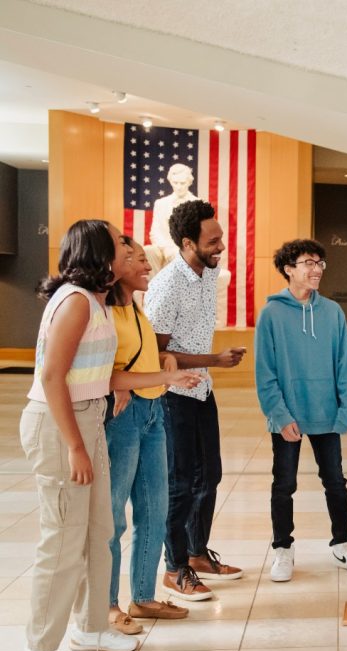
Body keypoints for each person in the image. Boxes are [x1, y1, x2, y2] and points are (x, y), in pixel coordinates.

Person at [20, 220, 137, 651]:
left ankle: (90, 628)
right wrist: (74, 446)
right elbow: (52, 377)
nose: (127, 247)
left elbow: (99, 376)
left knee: (98, 532)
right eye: (119, 242)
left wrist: (167, 377)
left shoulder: (98, 301)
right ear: (99, 253)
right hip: (58, 425)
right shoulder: (74, 301)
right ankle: (38, 647)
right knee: (63, 541)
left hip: (89, 418)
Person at [144, 200, 246, 601]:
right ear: (187, 243)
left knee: (210, 474)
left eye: (221, 237)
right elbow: (156, 353)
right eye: (213, 240)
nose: (221, 246)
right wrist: (215, 360)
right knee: (180, 482)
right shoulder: (167, 286)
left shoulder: (209, 271)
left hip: (201, 389)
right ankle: (174, 569)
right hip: (173, 394)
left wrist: (209, 367)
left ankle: (197, 553)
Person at [255, 238, 347, 582]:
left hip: (326, 415)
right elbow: (265, 372)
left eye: (320, 263)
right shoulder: (271, 314)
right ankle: (283, 549)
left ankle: (343, 545)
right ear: (289, 269)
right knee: (284, 484)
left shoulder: (333, 312)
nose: (317, 269)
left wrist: (345, 412)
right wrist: (280, 416)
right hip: (287, 417)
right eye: (309, 263)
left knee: (335, 481)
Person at [105, 240, 202, 633]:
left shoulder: (136, 308)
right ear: (116, 265)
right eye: (139, 260)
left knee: (154, 509)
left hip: (152, 414)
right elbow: (106, 374)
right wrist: (165, 375)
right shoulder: (103, 311)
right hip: (123, 419)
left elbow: (142, 358)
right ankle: (108, 605)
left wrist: (166, 361)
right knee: (113, 517)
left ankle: (143, 597)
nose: (148, 266)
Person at [149, 164, 198, 267]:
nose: (179, 187)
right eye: (175, 183)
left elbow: (201, 234)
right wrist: (167, 249)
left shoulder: (198, 204)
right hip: (166, 251)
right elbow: (155, 233)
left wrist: (184, 250)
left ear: (189, 182)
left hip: (190, 250)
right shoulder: (161, 204)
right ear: (170, 182)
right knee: (149, 251)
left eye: (182, 183)